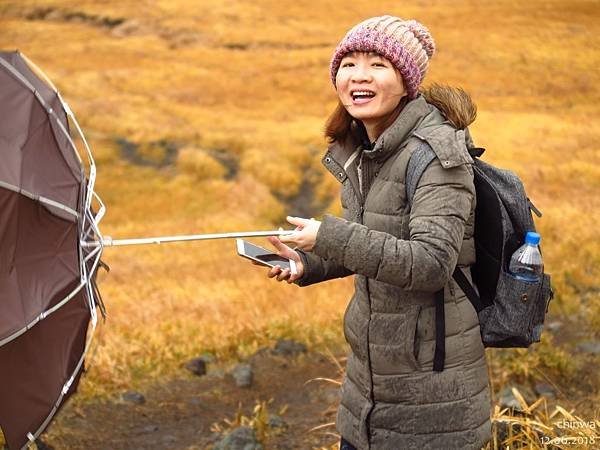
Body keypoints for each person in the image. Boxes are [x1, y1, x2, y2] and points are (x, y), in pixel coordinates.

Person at [255, 15, 492, 449]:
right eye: (348, 64)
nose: (359, 76)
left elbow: (430, 263)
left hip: (434, 394)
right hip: (368, 387)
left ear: (407, 82)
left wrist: (328, 236)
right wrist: (309, 261)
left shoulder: (436, 156)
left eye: (378, 64)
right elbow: (376, 239)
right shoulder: (366, 149)